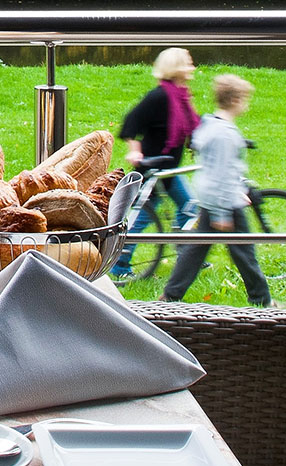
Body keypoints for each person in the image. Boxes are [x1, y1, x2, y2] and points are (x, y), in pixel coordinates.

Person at [161, 73, 272, 307]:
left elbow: (218, 168)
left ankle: (170, 296)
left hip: (210, 197)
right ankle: (262, 300)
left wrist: (237, 187)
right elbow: (222, 171)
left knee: (196, 250)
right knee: (244, 252)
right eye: (245, 99)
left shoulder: (210, 124)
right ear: (236, 100)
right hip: (224, 203)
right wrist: (223, 213)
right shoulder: (225, 134)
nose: (247, 104)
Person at [110, 47, 201, 279]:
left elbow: (192, 126)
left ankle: (186, 257)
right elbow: (132, 122)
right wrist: (134, 150)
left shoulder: (180, 96)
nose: (193, 67)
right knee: (143, 218)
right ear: (177, 67)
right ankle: (119, 265)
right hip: (154, 167)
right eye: (189, 63)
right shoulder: (159, 96)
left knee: (189, 208)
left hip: (169, 168)